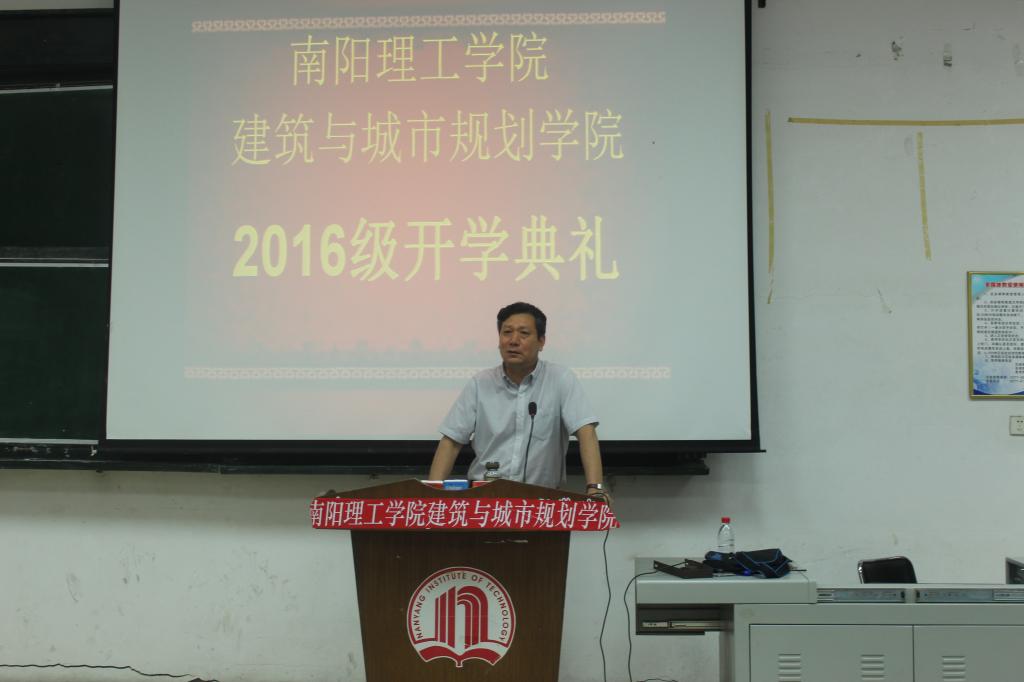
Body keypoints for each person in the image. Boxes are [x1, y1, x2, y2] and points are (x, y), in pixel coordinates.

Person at [427, 302, 608, 499]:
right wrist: (430, 494)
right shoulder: (480, 383)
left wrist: (595, 487)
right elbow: (451, 442)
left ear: (541, 342)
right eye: (507, 332)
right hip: (485, 497)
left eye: (524, 333)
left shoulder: (560, 379)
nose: (513, 341)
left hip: (541, 499)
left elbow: (586, 433)